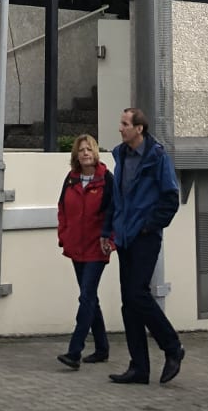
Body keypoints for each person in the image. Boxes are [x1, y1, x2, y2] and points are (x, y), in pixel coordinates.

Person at [103, 106, 185, 386]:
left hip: (145, 237)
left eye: (125, 124)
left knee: (138, 294)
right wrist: (108, 232)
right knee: (129, 303)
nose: (120, 128)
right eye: (121, 123)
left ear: (139, 128)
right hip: (124, 237)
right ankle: (139, 367)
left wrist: (149, 226)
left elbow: (170, 198)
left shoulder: (157, 157)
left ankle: (172, 347)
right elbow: (116, 200)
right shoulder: (121, 156)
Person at [55, 133, 113, 369]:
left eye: (89, 149)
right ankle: (102, 348)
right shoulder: (71, 179)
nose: (85, 153)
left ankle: (74, 351)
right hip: (76, 247)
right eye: (81, 150)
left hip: (97, 248)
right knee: (90, 298)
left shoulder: (107, 179)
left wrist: (110, 240)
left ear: (95, 152)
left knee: (86, 297)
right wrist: (63, 235)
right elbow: (62, 209)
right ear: (76, 156)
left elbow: (114, 211)